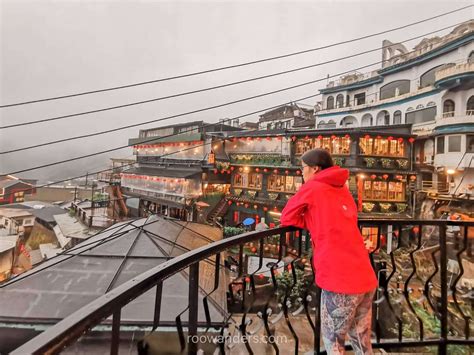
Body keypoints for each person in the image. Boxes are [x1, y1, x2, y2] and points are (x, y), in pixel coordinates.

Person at [280, 148, 377, 355]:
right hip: (364, 275)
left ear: (315, 169)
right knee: (362, 343)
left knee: (334, 345)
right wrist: (314, 220)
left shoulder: (313, 187)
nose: (301, 172)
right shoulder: (342, 189)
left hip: (339, 277)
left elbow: (287, 216)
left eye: (303, 168)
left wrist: (308, 220)